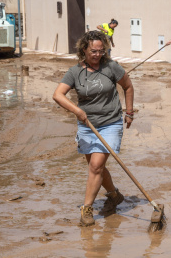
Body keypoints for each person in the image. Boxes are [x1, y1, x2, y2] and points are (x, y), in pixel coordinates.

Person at [52, 30, 134, 226]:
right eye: (93, 52)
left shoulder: (111, 67)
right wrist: (77, 111)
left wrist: (129, 113)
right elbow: (57, 95)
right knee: (95, 167)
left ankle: (86, 209)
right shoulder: (74, 72)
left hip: (111, 122)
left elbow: (128, 86)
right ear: (84, 50)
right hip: (87, 126)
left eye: (101, 51)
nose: (98, 55)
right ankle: (114, 195)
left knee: (96, 166)